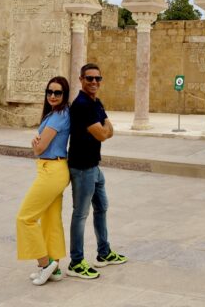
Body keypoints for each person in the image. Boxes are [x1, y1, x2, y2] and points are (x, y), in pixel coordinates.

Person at [66, 62, 127, 279]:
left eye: (97, 79)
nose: (94, 82)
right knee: (80, 214)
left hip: (94, 166)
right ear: (81, 79)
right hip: (82, 167)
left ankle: (104, 253)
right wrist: (105, 130)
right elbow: (103, 134)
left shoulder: (96, 102)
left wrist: (105, 129)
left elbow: (109, 129)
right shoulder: (82, 105)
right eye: (89, 78)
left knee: (102, 207)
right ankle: (76, 262)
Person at [15, 76, 71, 286]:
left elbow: (39, 148)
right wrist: (38, 144)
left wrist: (34, 143)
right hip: (52, 168)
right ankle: (54, 269)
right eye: (49, 92)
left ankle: (45, 263)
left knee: (25, 218)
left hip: (52, 170)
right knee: (51, 220)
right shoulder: (55, 114)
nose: (53, 96)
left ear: (64, 95)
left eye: (58, 93)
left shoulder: (59, 115)